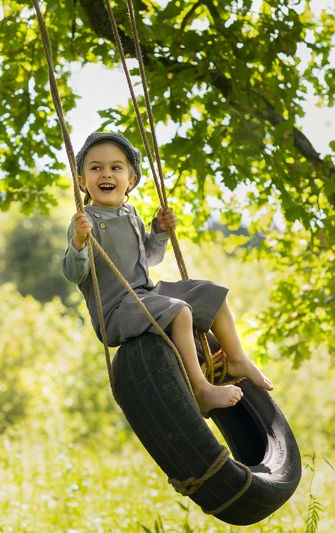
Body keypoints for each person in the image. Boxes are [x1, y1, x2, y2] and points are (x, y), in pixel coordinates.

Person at [62, 131, 272, 413]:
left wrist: (159, 231)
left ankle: (236, 358)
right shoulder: (85, 221)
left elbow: (148, 257)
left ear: (131, 180)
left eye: (116, 167)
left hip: (146, 295)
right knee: (179, 311)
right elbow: (75, 273)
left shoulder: (131, 216)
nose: (106, 174)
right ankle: (200, 389)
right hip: (116, 310)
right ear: (81, 180)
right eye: (96, 168)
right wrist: (78, 242)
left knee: (210, 293)